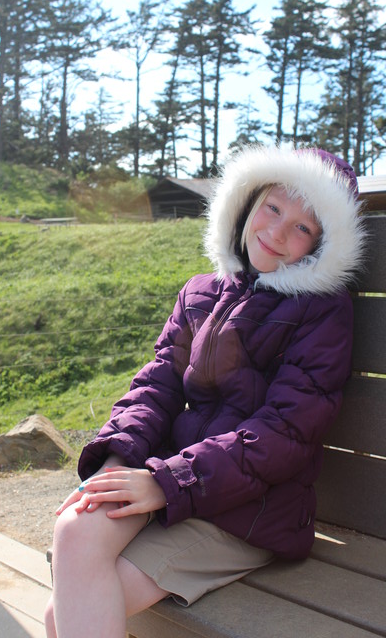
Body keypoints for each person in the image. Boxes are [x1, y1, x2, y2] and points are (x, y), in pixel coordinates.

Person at [44, 144, 366, 638]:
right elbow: (155, 387)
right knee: (75, 529)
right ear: (246, 204)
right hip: (177, 481)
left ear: (322, 244)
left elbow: (284, 432)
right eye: (273, 207)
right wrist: (118, 460)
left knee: (62, 613)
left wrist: (168, 482)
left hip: (250, 511)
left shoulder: (322, 312)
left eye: (302, 226)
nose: (277, 232)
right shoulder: (201, 291)